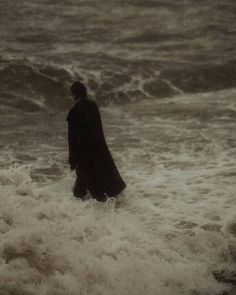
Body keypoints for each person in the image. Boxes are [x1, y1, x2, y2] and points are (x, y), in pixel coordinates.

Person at [66, 81, 126, 202]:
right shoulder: (93, 106)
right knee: (89, 186)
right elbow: (98, 131)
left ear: (74, 95)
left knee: (83, 190)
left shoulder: (74, 111)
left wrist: (73, 160)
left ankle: (87, 213)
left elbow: (72, 139)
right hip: (98, 152)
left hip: (84, 156)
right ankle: (107, 208)